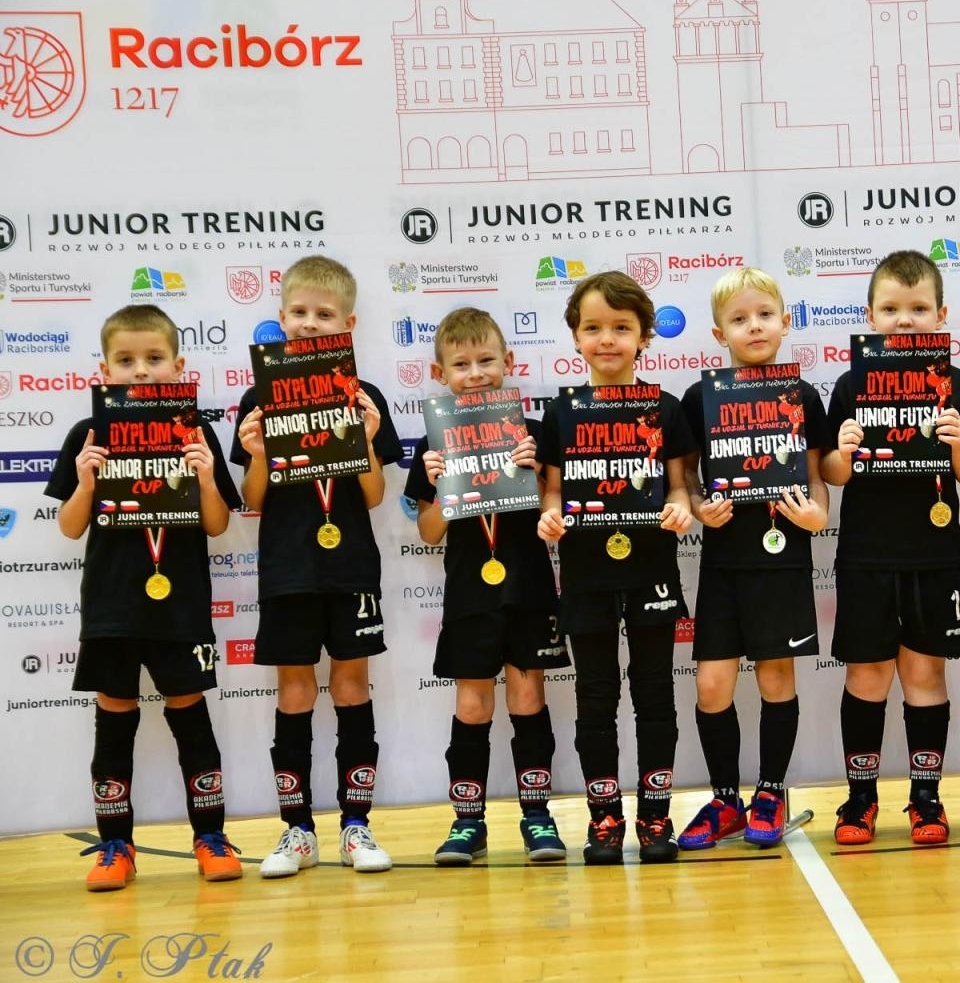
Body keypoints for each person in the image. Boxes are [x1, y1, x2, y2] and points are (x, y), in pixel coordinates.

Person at [47, 304, 245, 891]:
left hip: (179, 602)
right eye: (126, 361)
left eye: (154, 359)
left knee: (190, 716)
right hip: (111, 604)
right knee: (114, 719)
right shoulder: (88, 436)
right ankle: (115, 847)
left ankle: (210, 837)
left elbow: (214, 525)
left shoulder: (195, 433)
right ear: (103, 371)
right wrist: (86, 483)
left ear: (179, 365)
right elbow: (68, 527)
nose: (140, 371)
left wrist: (207, 478)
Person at [820, 250, 960, 845]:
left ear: (942, 313)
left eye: (919, 308)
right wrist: (841, 450)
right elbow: (833, 476)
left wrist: (956, 445)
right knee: (868, 676)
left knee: (924, 674)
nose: (905, 320)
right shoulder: (850, 385)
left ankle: (926, 798)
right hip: (866, 556)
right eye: (892, 309)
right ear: (870, 316)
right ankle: (859, 800)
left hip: (934, 556)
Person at [232, 256, 403, 875]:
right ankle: (296, 829)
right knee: (296, 690)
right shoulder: (259, 396)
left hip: (351, 565)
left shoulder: (366, 396)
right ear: (280, 319)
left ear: (348, 324)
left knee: (352, 686)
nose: (309, 324)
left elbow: (377, 495)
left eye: (323, 315)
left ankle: (356, 826)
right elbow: (253, 500)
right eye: (299, 313)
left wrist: (362, 439)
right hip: (286, 569)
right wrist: (255, 453)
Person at [536, 271, 695, 865]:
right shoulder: (561, 412)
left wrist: (680, 508)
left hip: (651, 567)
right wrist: (549, 518)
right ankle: (604, 818)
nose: (607, 339)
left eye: (621, 328)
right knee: (595, 696)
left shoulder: (666, 408)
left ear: (644, 337)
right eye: (593, 327)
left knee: (655, 693)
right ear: (575, 337)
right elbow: (552, 494)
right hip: (585, 574)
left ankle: (656, 816)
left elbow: (681, 488)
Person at [405, 307, 570, 866]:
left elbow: (558, 506)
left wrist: (539, 471)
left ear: (509, 363)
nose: (475, 373)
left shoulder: (535, 433)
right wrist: (438, 483)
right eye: (461, 364)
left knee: (528, 697)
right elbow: (428, 533)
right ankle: (466, 824)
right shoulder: (435, 441)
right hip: (470, 594)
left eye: (486, 360)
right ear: (440, 372)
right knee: (472, 706)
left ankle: (538, 818)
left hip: (528, 588)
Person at [677, 268, 831, 849]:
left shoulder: (802, 395)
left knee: (775, 678)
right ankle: (723, 801)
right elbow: (686, 477)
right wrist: (696, 505)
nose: (754, 326)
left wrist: (818, 514)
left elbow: (817, 479)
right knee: (713, 686)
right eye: (739, 319)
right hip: (722, 563)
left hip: (783, 560)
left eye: (764, 315)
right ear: (721, 334)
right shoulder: (701, 397)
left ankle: (770, 792)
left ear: (785, 322)